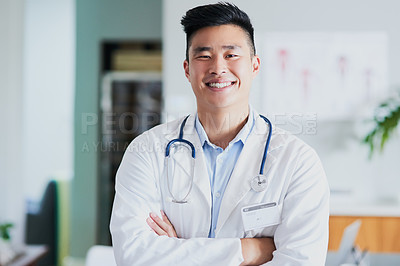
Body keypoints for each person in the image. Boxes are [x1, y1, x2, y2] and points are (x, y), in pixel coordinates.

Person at [110, 2, 329, 265]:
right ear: (187, 69)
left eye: (231, 55)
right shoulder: (147, 151)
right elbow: (133, 255)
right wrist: (249, 250)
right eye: (204, 55)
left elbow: (301, 261)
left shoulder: (297, 161)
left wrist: (178, 250)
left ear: (255, 65)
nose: (217, 68)